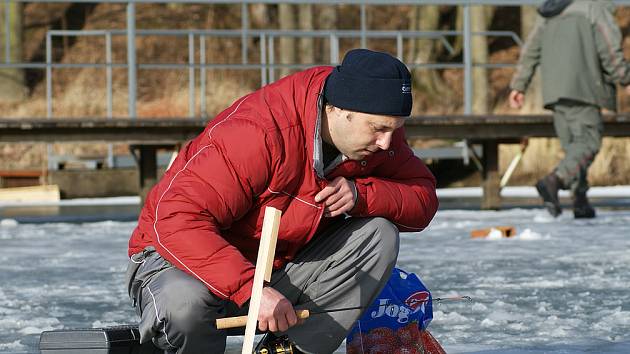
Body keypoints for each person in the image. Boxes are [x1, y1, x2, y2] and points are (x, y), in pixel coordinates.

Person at [125, 48, 438, 354]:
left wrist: (362, 195)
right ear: (338, 110)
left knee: (378, 234)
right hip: (176, 260)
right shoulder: (256, 134)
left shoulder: (377, 134)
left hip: (274, 268)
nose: (386, 142)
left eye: (394, 129)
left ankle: (286, 349)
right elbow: (177, 220)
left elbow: (422, 197)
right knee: (185, 305)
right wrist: (252, 288)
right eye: (378, 129)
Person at [509, 0, 630, 218]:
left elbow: (530, 50)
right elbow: (609, 48)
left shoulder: (549, 11)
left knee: (574, 147)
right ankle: (554, 181)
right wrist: (625, 78)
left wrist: (519, 85)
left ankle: (580, 200)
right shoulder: (593, 8)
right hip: (584, 88)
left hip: (555, 92)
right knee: (588, 142)